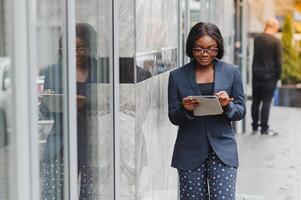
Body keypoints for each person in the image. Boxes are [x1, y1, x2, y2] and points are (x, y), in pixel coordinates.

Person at [168, 22, 245, 199]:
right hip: (189, 152)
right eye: (199, 49)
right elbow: (173, 116)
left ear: (218, 48)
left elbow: (241, 111)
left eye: (211, 49)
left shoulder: (231, 72)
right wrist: (184, 109)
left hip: (223, 151)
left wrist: (228, 105)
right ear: (191, 48)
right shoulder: (177, 76)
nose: (204, 54)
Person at [41, 23, 99, 199]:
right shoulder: (53, 71)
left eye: (81, 48)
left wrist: (87, 103)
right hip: (61, 144)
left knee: (91, 194)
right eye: (69, 48)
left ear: (90, 47)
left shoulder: (101, 69)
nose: (75, 53)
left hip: (92, 145)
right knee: (54, 195)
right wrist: (50, 100)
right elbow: (45, 111)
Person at [251, 18, 282, 136]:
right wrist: (278, 77)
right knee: (267, 102)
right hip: (269, 77)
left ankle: (254, 126)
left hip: (256, 75)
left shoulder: (257, 39)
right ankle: (264, 128)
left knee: (255, 101)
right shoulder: (276, 41)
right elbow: (278, 62)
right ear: (274, 27)